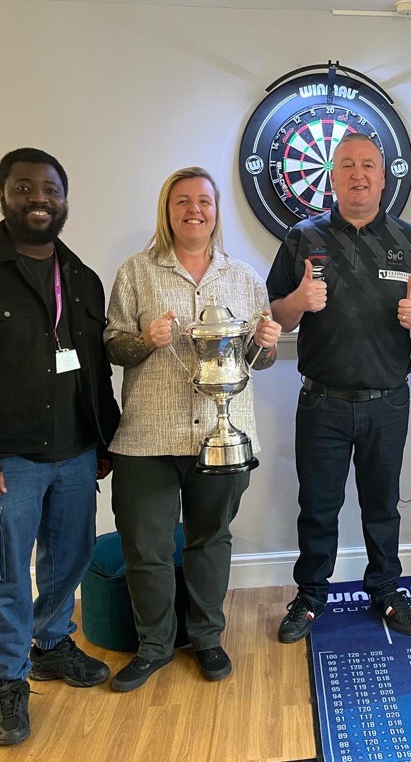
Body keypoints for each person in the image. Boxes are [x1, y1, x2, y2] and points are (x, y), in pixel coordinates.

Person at [0, 148, 120, 745]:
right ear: (3, 194)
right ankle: (8, 680)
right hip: (4, 461)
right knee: (2, 575)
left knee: (68, 560)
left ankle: (52, 644)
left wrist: (103, 440)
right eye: (24, 187)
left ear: (65, 199)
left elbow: (94, 370)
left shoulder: (81, 277)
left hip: (76, 452)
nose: (39, 198)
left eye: (50, 189)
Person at [104, 167, 281, 691]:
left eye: (203, 201)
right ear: (167, 210)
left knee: (210, 539)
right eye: (182, 201)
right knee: (147, 548)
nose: (194, 210)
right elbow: (112, 345)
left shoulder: (244, 277)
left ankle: (206, 639)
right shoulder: (136, 273)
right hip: (148, 436)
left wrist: (266, 341)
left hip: (223, 438)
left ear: (215, 210)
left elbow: (255, 361)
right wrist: (144, 339)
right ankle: (154, 646)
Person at [267, 132, 411, 643]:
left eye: (368, 165)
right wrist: (297, 300)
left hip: (388, 401)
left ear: (383, 176)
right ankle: (310, 596)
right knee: (317, 506)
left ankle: (386, 590)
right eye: (347, 165)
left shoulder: (410, 241)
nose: (358, 174)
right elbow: (274, 316)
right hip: (321, 400)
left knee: (382, 505)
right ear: (334, 175)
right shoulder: (303, 238)